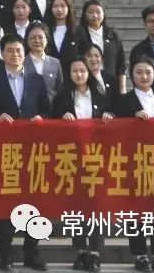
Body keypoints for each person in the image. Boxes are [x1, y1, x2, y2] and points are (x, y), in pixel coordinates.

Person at [0, 36, 50, 272]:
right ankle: (6, 255)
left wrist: (41, 118)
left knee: (36, 201)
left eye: (19, 50)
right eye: (10, 51)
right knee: (4, 202)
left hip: (33, 150)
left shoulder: (36, 79)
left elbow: (46, 109)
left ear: (25, 53)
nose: (15, 55)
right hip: (4, 150)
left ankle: (32, 253)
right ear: (2, 54)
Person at [50, 57, 113, 273]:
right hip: (72, 157)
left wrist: (109, 115)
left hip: (97, 157)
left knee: (96, 206)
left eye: (82, 71)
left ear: (89, 72)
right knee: (75, 205)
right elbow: (52, 121)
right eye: (74, 71)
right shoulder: (62, 97)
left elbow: (114, 117)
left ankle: (94, 253)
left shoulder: (101, 95)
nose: (78, 74)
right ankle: (80, 251)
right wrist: (62, 117)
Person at [115, 58, 154, 273]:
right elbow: (113, 125)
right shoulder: (124, 100)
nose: (144, 76)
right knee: (135, 209)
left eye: (148, 72)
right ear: (132, 75)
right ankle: (140, 255)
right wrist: (131, 117)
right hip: (134, 161)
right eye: (139, 72)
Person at [76, 0, 126, 95]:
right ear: (85, 14)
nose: (95, 15)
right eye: (90, 12)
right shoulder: (79, 34)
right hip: (86, 85)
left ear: (103, 14)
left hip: (111, 85)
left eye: (98, 12)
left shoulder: (112, 35)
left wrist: (122, 87)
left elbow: (121, 62)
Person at [23, 23, 62, 104]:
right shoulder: (21, 62)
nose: (37, 41)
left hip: (52, 109)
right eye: (33, 37)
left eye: (40, 37)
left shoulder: (55, 63)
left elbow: (60, 90)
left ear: (47, 39)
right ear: (27, 40)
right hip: (28, 109)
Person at [46, 0, 80, 66]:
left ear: (68, 8)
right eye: (55, 6)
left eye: (62, 6)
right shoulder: (45, 30)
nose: (59, 9)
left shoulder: (78, 31)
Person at [83, 44, 118, 111]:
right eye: (89, 56)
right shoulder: (82, 80)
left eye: (97, 56)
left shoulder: (110, 78)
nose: (93, 59)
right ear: (84, 59)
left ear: (102, 59)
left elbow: (117, 101)